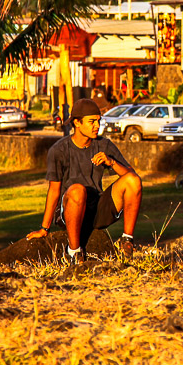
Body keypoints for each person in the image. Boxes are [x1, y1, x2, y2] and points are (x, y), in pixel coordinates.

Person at [26, 98, 143, 262]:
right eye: (92, 122)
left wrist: (111, 162)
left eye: (98, 121)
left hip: (97, 209)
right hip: (70, 210)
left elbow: (132, 176)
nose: (97, 125)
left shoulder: (104, 145)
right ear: (77, 123)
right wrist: (44, 228)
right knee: (77, 190)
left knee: (132, 180)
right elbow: (54, 190)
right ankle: (74, 251)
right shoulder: (58, 150)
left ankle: (127, 240)